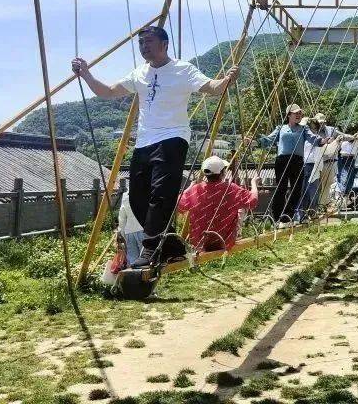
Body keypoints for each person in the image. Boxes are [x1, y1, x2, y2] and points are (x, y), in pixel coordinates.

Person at [71, 25, 239, 268]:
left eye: (148, 42)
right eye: (141, 43)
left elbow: (213, 88)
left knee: (161, 193)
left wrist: (226, 79)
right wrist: (86, 74)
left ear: (164, 44)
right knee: (137, 197)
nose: (144, 47)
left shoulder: (183, 69)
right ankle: (171, 246)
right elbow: (107, 92)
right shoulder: (139, 73)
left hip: (173, 137)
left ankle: (151, 248)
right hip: (144, 142)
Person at [257, 104, 325, 226]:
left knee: (297, 190)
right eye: (295, 113)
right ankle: (277, 217)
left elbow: (313, 139)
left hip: (297, 161)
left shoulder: (304, 129)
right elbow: (268, 140)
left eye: (300, 113)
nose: (298, 115)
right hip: (282, 161)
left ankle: (287, 217)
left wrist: (322, 141)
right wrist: (256, 140)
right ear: (288, 115)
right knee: (281, 189)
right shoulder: (280, 128)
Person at [177, 155, 258, 252]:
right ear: (222, 173)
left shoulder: (195, 190)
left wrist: (190, 187)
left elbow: (179, 205)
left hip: (200, 242)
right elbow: (253, 201)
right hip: (224, 241)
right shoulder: (231, 189)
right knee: (240, 210)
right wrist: (253, 183)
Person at [297, 113, 348, 221]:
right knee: (310, 190)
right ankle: (307, 213)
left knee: (312, 190)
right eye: (313, 124)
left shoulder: (313, 137)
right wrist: (333, 142)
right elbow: (325, 149)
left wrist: (335, 142)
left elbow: (326, 149)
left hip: (313, 165)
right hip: (309, 165)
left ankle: (308, 213)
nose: (317, 126)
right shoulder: (309, 137)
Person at [337, 130, 358, 198]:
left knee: (351, 177)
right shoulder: (345, 139)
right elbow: (339, 144)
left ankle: (346, 193)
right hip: (343, 158)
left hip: (351, 159)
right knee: (344, 175)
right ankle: (341, 192)